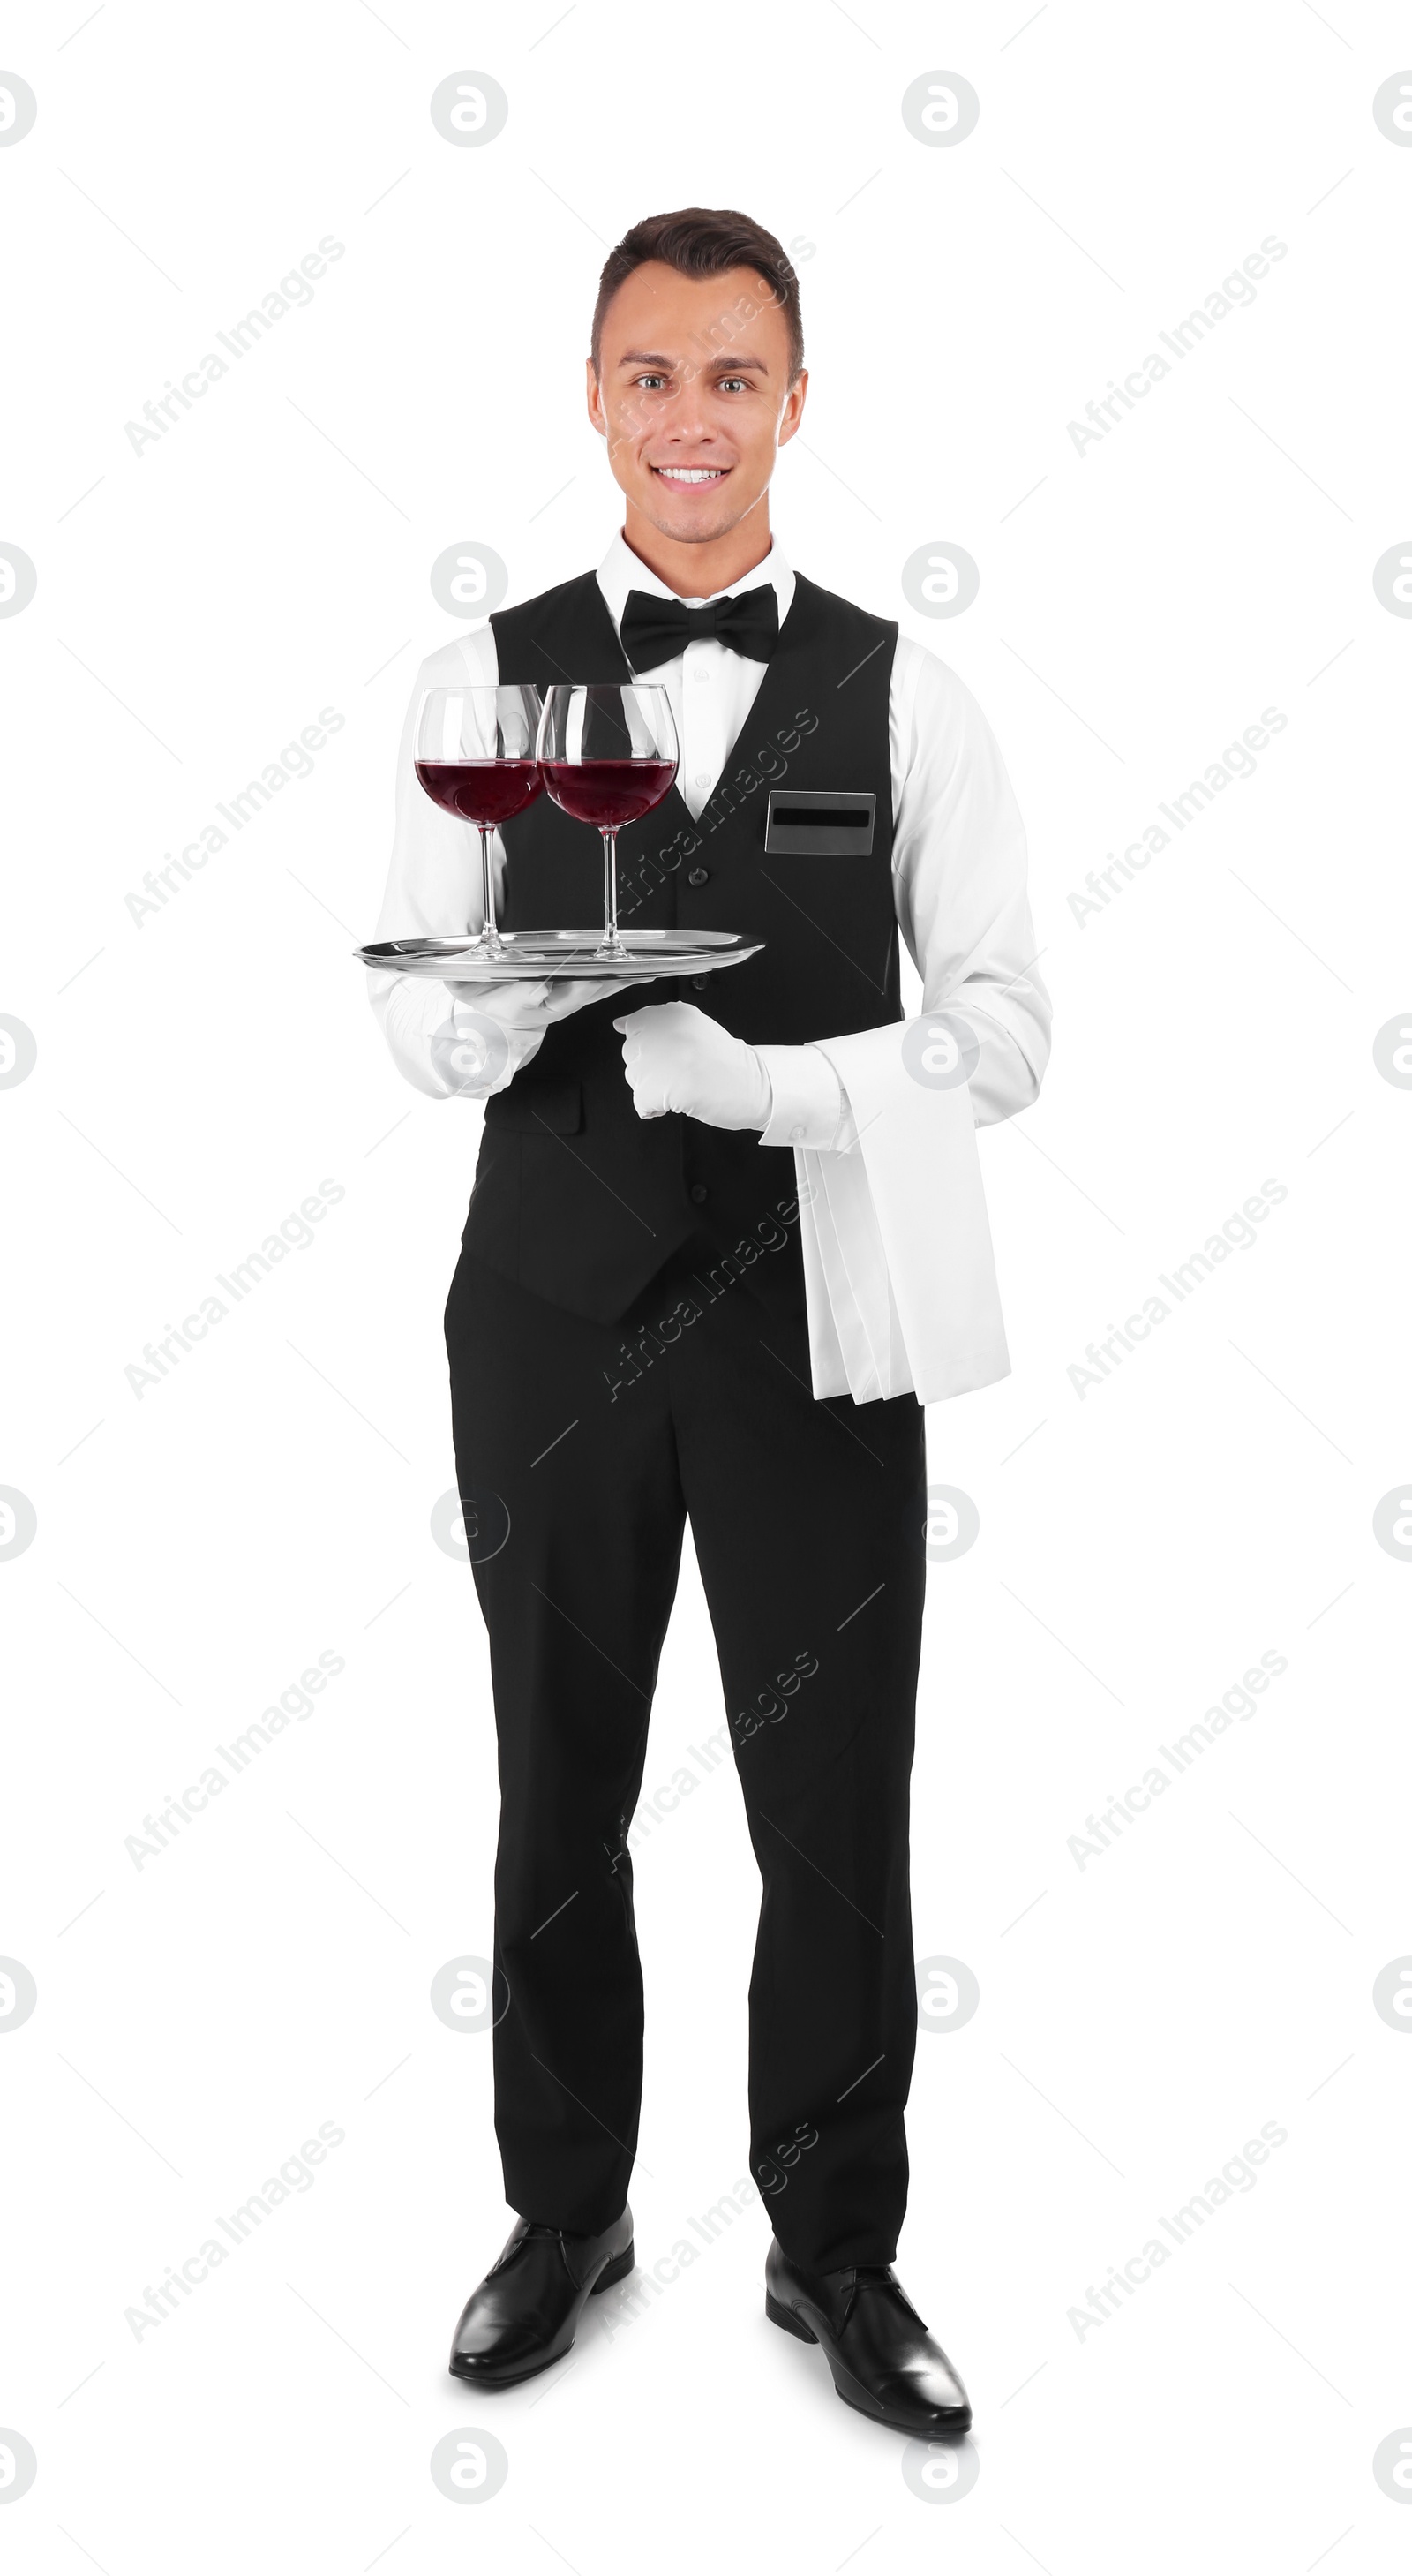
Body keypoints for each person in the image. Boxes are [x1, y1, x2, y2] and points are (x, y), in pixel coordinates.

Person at [369, 207, 1050, 2436]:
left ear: (791, 404)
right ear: (591, 395)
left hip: (809, 1314)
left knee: (830, 1793)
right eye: (648, 373)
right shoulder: (489, 683)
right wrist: (476, 1025)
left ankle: (832, 2247)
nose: (688, 417)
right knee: (552, 1780)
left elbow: (1005, 1032)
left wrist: (777, 1086)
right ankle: (562, 2211)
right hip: (548, 1319)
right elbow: (420, 971)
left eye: (730, 376)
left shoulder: (900, 689)